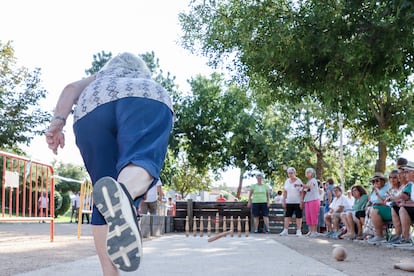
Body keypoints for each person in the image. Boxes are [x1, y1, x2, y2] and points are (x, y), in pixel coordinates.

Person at [45, 52, 174, 274]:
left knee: (104, 193)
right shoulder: (145, 80)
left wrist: (57, 123)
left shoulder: (99, 77)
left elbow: (70, 89)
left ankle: (109, 272)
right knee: (141, 158)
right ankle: (124, 193)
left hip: (91, 108)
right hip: (146, 100)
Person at [367, 172, 393, 244]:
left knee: (374, 209)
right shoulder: (375, 190)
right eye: (373, 181)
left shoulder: (387, 188)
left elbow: (386, 202)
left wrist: (377, 194)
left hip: (388, 208)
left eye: (377, 180)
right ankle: (370, 233)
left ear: (383, 180)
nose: (375, 182)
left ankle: (379, 236)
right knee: (367, 210)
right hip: (376, 208)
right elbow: (371, 200)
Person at [392, 164, 414, 247]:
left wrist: (404, 204)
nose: (404, 175)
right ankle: (399, 235)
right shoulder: (412, 185)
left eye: (407, 172)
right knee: (395, 206)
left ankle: (406, 238)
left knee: (402, 209)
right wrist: (403, 203)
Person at [280, 167, 304, 236]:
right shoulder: (287, 181)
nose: (290, 174)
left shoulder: (298, 181)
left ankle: (299, 231)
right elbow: (285, 191)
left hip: (297, 201)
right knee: (287, 216)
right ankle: (285, 230)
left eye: (291, 173)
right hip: (289, 201)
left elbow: (302, 192)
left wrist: (301, 201)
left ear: (294, 173)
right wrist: (284, 200)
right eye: (289, 173)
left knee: (298, 216)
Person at [302, 168, 321, 238]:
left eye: (309, 172)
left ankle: (314, 231)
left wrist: (301, 185)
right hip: (307, 200)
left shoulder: (313, 180)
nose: (307, 173)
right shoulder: (308, 181)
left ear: (312, 173)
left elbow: (310, 186)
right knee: (308, 216)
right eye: (306, 172)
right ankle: (310, 230)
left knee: (313, 215)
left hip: (314, 199)